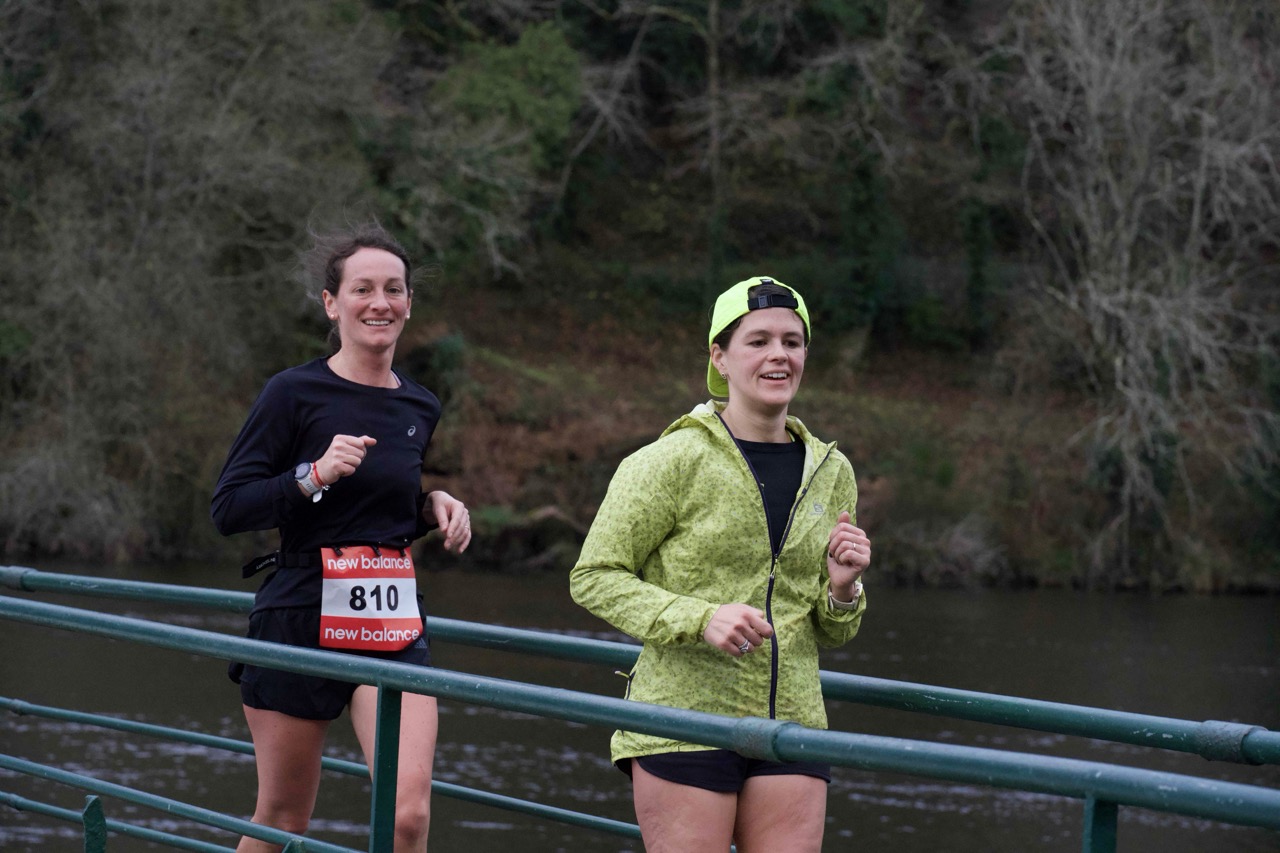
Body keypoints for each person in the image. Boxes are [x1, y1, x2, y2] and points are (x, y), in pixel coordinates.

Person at [569, 276, 871, 852]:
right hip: (684, 723)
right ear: (720, 358)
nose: (779, 355)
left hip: (793, 725)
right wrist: (701, 617)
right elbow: (594, 577)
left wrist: (843, 591)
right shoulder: (669, 459)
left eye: (792, 342)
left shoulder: (833, 471)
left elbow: (833, 631)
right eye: (758, 341)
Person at [211, 223, 471, 853]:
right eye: (362, 289)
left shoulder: (421, 406)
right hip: (300, 612)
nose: (380, 302)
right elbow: (229, 508)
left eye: (394, 289)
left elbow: (377, 511)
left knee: (407, 817)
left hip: (391, 626)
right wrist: (313, 475)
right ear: (332, 303)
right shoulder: (292, 393)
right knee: (282, 820)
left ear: (409, 303)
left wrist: (429, 506)